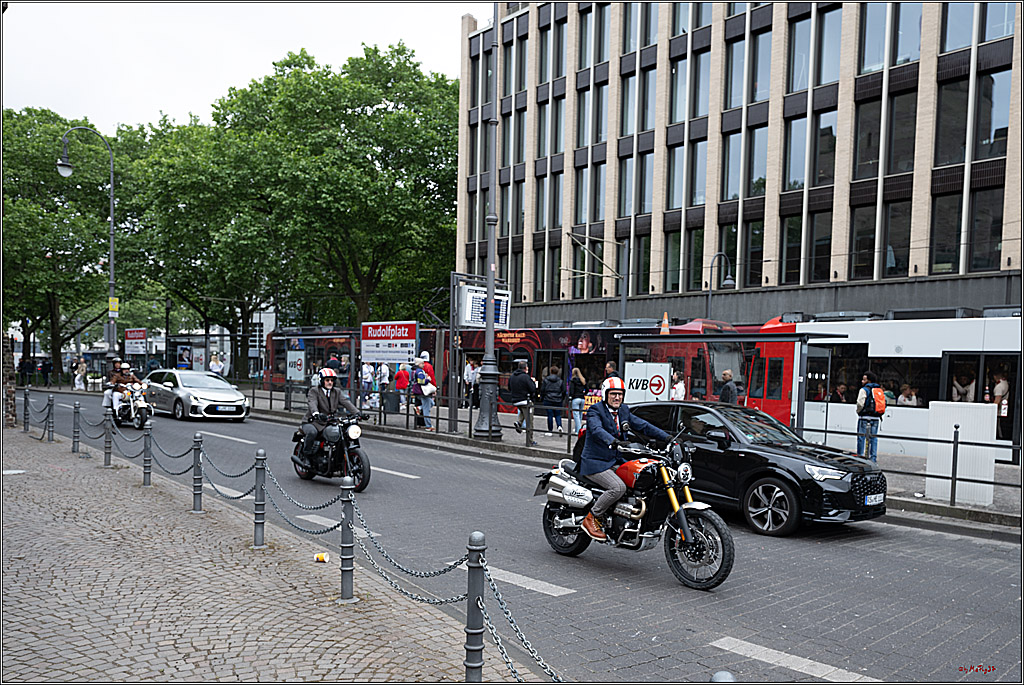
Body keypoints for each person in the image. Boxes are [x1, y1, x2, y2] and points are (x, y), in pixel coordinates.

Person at [578, 377, 671, 541]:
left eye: (620, 394)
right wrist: (613, 441)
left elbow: (643, 425)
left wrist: (668, 438)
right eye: (613, 394)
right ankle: (591, 517)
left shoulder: (623, 410)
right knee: (617, 487)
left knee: (637, 479)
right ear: (606, 395)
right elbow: (596, 429)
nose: (617, 397)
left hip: (614, 461)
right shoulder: (595, 410)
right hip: (595, 463)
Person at [298, 368, 362, 467]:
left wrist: (358, 413)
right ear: (322, 381)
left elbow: (346, 402)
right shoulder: (314, 391)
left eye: (332, 380)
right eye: (327, 380)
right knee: (312, 432)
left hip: (329, 421)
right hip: (313, 422)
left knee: (342, 434)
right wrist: (316, 414)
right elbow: (312, 403)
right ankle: (307, 456)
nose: (330, 382)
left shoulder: (336, 392)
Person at [856, 371, 883, 462]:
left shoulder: (864, 390)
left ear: (869, 380)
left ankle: (860, 457)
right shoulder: (879, 390)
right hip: (876, 418)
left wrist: (859, 411)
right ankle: (873, 458)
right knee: (873, 438)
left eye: (864, 379)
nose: (862, 381)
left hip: (864, 417)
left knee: (861, 437)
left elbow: (860, 403)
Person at [508, 359, 538, 440]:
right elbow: (532, 389)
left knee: (522, 411)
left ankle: (519, 423)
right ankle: (530, 440)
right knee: (529, 421)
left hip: (515, 400)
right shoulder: (525, 377)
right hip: (525, 401)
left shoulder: (512, 376)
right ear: (525, 368)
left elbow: (509, 387)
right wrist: (533, 382)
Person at [410, 358, 435, 431]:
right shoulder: (420, 371)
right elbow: (421, 381)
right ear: (419, 364)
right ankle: (428, 426)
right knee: (426, 408)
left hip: (416, 391)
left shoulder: (413, 371)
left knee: (431, 403)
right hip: (422, 391)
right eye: (422, 363)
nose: (424, 365)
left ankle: (419, 408)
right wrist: (428, 379)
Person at [540, 365, 566, 434]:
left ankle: (550, 430)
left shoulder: (546, 380)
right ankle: (559, 426)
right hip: (558, 400)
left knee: (550, 415)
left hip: (548, 399)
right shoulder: (560, 381)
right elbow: (564, 391)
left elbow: (542, 390)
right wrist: (561, 398)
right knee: (558, 414)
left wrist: (542, 398)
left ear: (550, 371)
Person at [992, 370, 1010, 440]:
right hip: (1004, 408)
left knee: (998, 427)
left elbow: (997, 401)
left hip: (999, 411)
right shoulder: (1005, 383)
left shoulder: (999, 387)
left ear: (995, 376)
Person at [569, 366, 587, 433]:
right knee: (580, 414)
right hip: (582, 398)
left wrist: (571, 396)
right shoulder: (583, 380)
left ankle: (579, 430)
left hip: (576, 398)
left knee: (576, 415)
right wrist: (583, 393)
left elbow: (572, 390)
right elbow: (587, 389)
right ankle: (577, 429)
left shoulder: (573, 380)